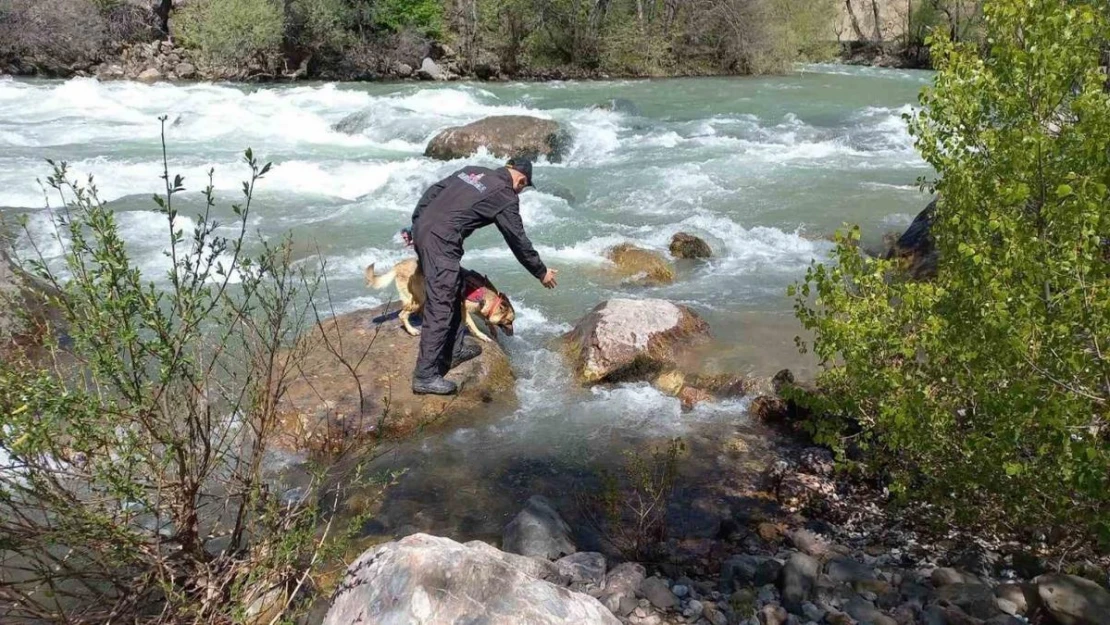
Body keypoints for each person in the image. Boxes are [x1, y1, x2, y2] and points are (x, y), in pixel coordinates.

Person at [409, 158, 558, 396]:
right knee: (441, 304)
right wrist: (540, 271)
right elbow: (517, 239)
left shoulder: (474, 171)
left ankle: (454, 350)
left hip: (424, 229)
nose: (520, 191)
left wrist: (416, 224)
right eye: (523, 187)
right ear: (521, 180)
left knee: (456, 287)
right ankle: (425, 376)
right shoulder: (506, 195)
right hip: (442, 242)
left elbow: (434, 191)